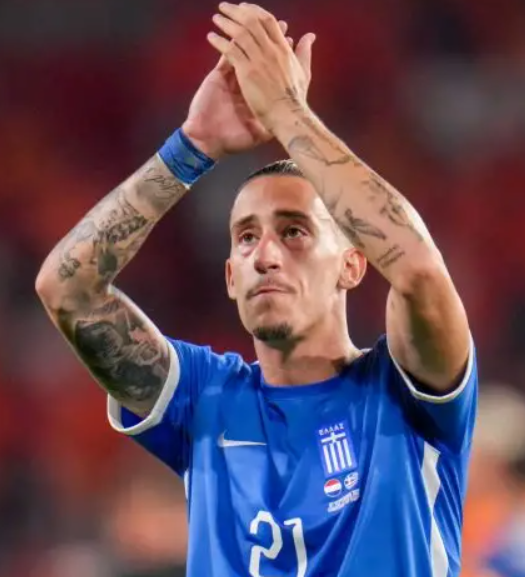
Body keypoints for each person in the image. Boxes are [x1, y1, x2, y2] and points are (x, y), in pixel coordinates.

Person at [35, 3, 477, 576]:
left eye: (294, 232)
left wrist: (289, 115)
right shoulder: (205, 398)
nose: (265, 255)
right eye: (245, 238)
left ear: (352, 265)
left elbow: (418, 271)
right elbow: (66, 289)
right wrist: (192, 146)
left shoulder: (407, 391)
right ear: (230, 278)